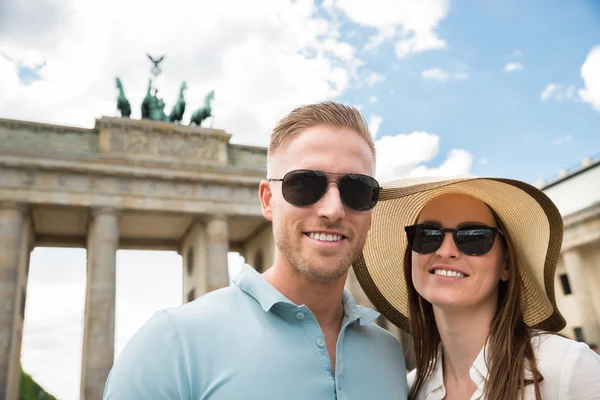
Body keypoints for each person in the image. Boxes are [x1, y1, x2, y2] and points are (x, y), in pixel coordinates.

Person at [103, 102, 408, 399]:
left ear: (372, 210)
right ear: (267, 200)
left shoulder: (388, 355)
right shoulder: (171, 345)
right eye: (304, 184)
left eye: (357, 190)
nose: (333, 210)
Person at [353, 177, 600, 399]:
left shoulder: (567, 368)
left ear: (506, 265)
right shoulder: (410, 389)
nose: (445, 251)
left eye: (473, 237)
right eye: (427, 234)